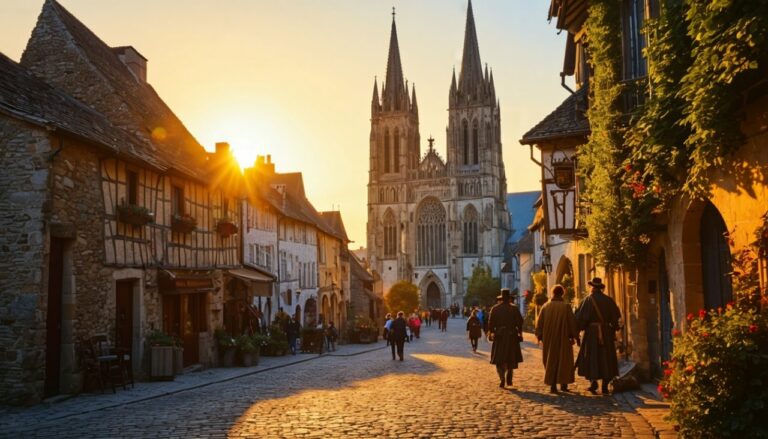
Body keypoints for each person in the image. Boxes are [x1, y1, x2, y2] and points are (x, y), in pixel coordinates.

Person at [575, 277, 622, 395]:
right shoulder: (609, 300)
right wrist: (614, 329)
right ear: (600, 288)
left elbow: (581, 319)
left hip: (591, 333)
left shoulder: (588, 300)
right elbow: (616, 318)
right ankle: (605, 384)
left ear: (592, 287)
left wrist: (578, 332)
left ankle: (593, 382)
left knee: (592, 356)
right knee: (607, 356)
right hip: (606, 332)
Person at [535, 285, 579, 393]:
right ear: (562, 293)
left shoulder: (545, 306)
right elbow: (572, 323)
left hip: (549, 339)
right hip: (563, 338)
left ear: (553, 293)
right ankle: (563, 384)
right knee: (564, 360)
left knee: (551, 360)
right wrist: (575, 336)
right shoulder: (566, 307)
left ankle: (553, 384)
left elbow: (539, 324)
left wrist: (540, 336)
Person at [488, 288, 524, 388]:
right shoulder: (514, 308)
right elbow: (520, 322)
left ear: (501, 298)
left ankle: (502, 377)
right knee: (510, 357)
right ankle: (509, 375)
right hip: (512, 336)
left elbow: (490, 324)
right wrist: (520, 334)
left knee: (499, 358)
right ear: (509, 298)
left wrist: (490, 333)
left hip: (499, 336)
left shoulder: (495, 309)